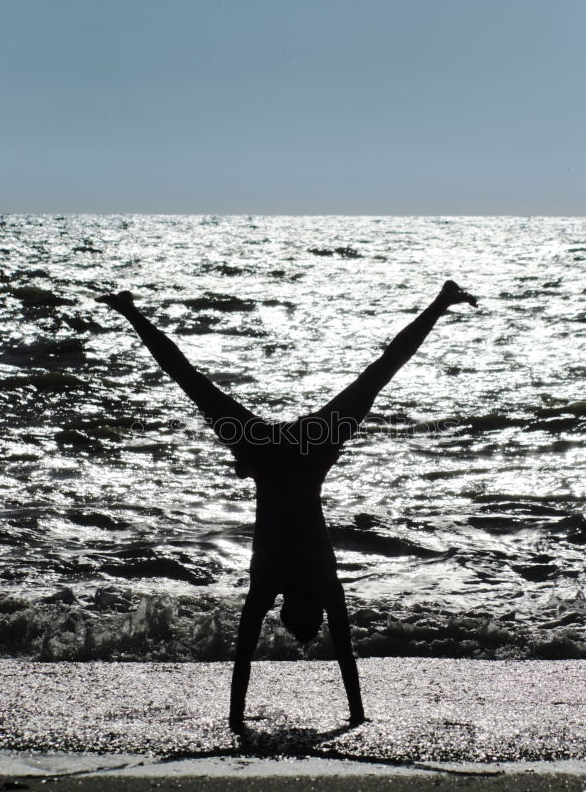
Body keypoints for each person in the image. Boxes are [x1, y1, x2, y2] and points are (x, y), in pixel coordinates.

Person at [97, 279, 477, 732]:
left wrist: (350, 716)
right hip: (270, 451)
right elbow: (258, 654)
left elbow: (330, 654)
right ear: (287, 609)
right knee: (195, 383)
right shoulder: (280, 582)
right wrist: (244, 718)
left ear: (308, 609)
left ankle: (442, 300)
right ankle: (129, 312)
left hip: (304, 449)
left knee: (377, 374)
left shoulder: (318, 584)